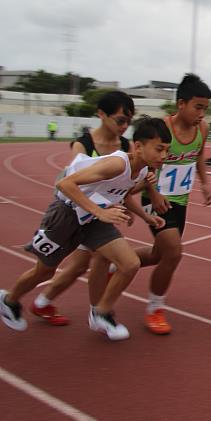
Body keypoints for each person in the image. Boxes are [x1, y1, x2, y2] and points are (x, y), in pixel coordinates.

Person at [0, 117, 170, 340]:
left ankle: (101, 313)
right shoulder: (117, 164)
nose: (164, 156)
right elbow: (65, 184)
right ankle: (9, 300)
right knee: (45, 271)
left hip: (92, 221)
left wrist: (145, 217)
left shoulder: (141, 171)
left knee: (130, 264)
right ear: (138, 146)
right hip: (66, 215)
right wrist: (100, 212)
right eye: (159, 149)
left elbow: (123, 194)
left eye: (167, 151)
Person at [30, 91, 137, 326]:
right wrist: (97, 210)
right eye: (120, 120)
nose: (125, 126)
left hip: (102, 216)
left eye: (129, 121)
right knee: (82, 263)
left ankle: (47, 303)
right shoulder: (84, 144)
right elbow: (72, 183)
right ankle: (95, 312)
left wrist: (132, 205)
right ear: (101, 114)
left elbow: (124, 185)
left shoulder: (127, 146)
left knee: (86, 262)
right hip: (77, 212)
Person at [136, 73, 211, 335]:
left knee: (160, 254)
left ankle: (118, 262)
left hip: (180, 200)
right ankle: (155, 309)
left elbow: (199, 155)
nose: (202, 113)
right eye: (198, 107)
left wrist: (204, 183)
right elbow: (143, 163)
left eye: (205, 108)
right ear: (181, 104)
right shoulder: (162, 129)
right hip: (155, 197)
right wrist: (153, 191)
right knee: (174, 252)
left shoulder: (202, 129)